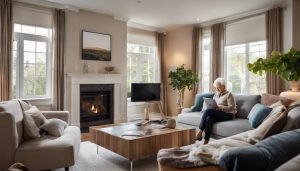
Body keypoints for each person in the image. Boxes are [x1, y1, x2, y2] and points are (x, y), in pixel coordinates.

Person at [196, 77, 237, 144]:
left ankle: (200, 132)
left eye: (219, 87)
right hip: (219, 113)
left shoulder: (229, 94)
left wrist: (220, 107)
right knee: (209, 118)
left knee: (208, 111)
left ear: (224, 86)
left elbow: (232, 107)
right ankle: (206, 141)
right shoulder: (216, 94)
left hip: (228, 114)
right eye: (216, 87)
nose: (217, 89)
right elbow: (214, 104)